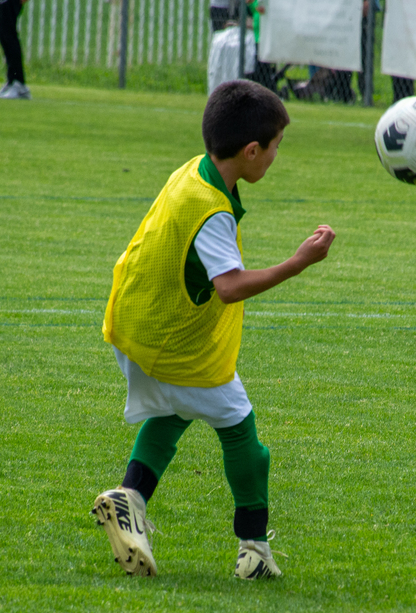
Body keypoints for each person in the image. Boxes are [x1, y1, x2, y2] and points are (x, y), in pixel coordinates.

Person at [92, 80, 336, 581]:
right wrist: (298, 263)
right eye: (275, 147)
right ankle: (254, 552)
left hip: (138, 324)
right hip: (173, 343)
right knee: (244, 435)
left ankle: (130, 497)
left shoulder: (193, 171)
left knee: (175, 412)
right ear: (251, 150)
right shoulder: (212, 211)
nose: (276, 157)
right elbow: (228, 286)